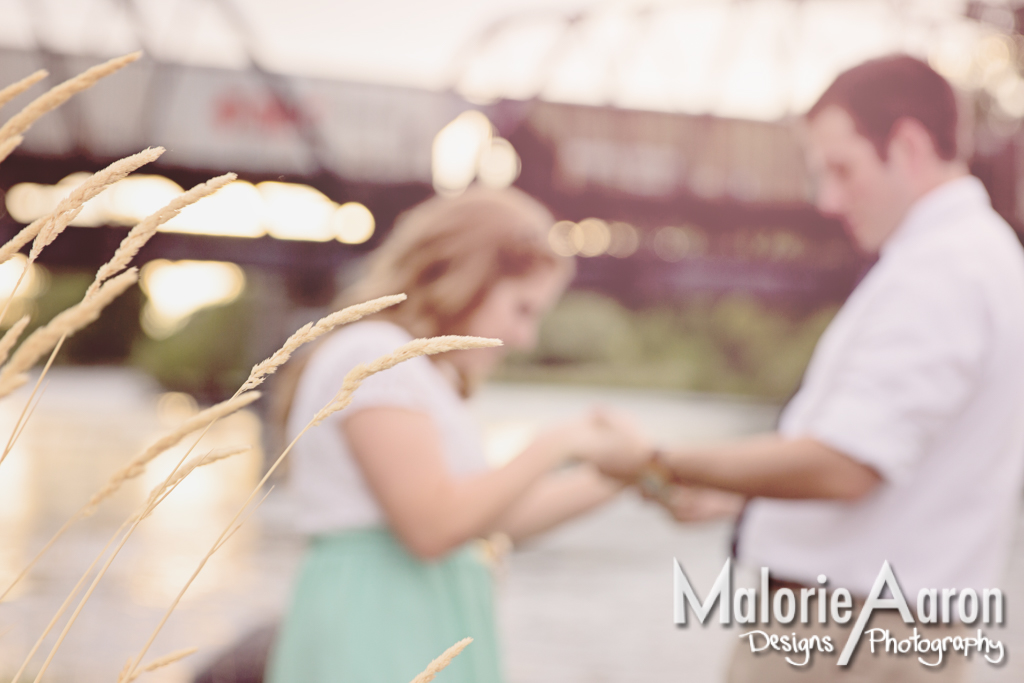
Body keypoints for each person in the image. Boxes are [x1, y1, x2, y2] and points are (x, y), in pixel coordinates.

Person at [584, 55, 1024, 682]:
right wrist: (741, 496)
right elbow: (900, 476)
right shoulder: (972, 257)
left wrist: (657, 460)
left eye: (842, 170)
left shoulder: (943, 270)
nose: (827, 201)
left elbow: (846, 466)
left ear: (909, 145)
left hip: (847, 639)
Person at [266, 186, 646, 683]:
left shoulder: (422, 374)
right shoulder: (376, 356)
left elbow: (491, 515)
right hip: (377, 624)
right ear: (465, 278)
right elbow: (433, 527)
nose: (526, 338)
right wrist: (557, 444)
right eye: (522, 309)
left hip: (412, 618)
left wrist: (631, 472)